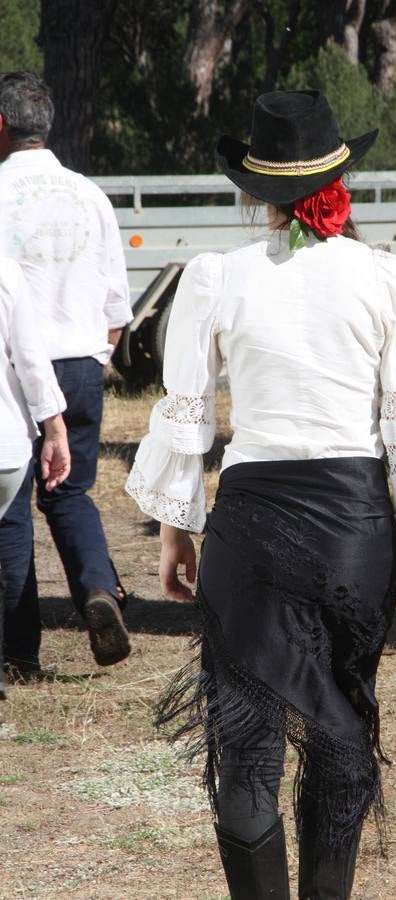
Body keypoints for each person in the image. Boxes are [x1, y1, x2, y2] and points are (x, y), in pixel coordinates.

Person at [127, 90, 396, 899]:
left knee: (243, 742)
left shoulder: (214, 277)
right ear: (339, 177)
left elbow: (186, 417)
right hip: (355, 530)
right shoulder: (387, 278)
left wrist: (176, 533)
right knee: (341, 731)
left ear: (255, 194)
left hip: (250, 531)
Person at [0, 71, 133, 676]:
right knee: (70, 492)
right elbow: (116, 306)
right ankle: (99, 589)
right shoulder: (90, 195)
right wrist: (94, 359)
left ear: (1, 126)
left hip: (12, 367)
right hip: (79, 358)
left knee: (8, 510)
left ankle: (18, 650)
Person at [0, 257, 70, 697]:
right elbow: (29, 356)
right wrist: (55, 428)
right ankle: (17, 656)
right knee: (10, 541)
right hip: (4, 441)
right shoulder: (4, 268)